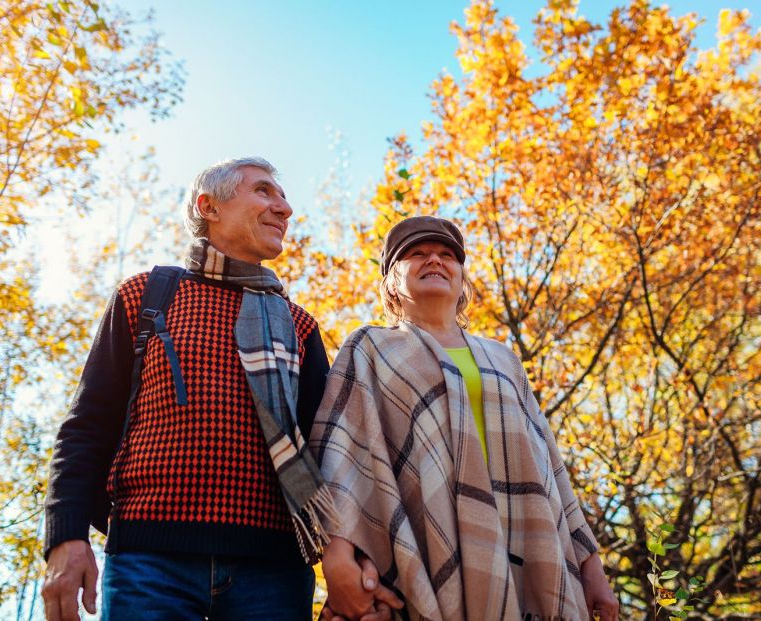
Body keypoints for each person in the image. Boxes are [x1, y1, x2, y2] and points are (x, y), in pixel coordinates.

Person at [42, 157, 342, 620]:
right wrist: (66, 535)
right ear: (209, 206)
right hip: (148, 560)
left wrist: (347, 562)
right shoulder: (145, 296)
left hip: (274, 571)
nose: (284, 208)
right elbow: (87, 426)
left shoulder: (299, 327)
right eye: (264, 191)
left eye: (282, 197)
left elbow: (329, 455)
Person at [312, 216, 619, 621]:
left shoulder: (503, 359)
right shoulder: (371, 348)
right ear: (390, 281)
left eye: (447, 255)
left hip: (525, 540)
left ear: (462, 279)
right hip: (424, 550)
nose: (434, 261)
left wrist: (590, 565)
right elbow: (340, 458)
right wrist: (336, 559)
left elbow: (551, 467)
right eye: (417, 254)